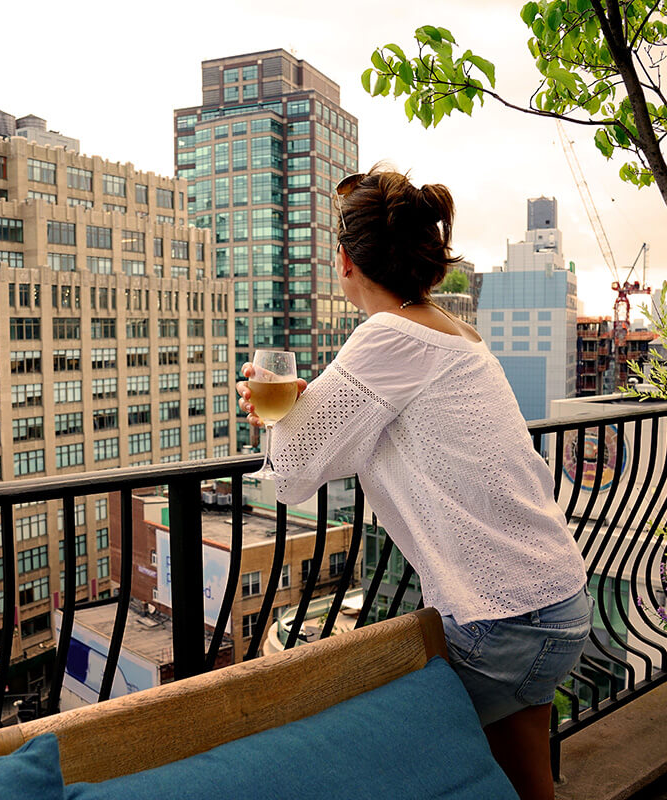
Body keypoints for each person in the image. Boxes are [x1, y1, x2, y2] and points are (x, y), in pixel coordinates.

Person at [236, 166, 589, 800]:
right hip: (557, 600)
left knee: (362, 760)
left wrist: (282, 409)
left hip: (501, 619)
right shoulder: (458, 334)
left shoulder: (386, 339)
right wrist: (307, 409)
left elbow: (289, 476)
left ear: (345, 262)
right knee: (526, 782)